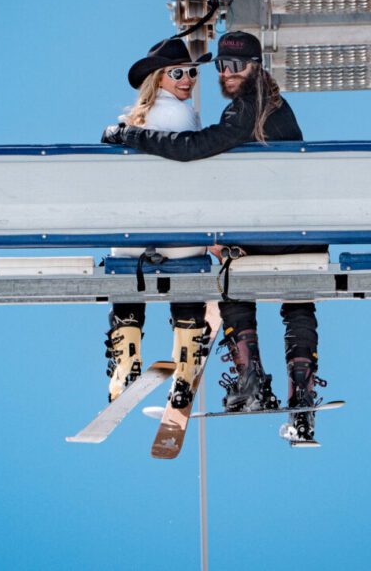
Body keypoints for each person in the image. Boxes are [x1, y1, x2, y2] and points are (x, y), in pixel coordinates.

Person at [103, 31, 327, 440]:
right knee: (297, 300)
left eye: (236, 66)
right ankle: (303, 400)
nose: (226, 73)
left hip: (271, 232)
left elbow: (194, 147)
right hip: (305, 233)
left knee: (231, 277)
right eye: (221, 66)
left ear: (256, 67)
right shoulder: (274, 106)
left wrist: (131, 135)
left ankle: (250, 380)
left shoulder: (248, 108)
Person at [103, 38, 212, 410]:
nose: (188, 80)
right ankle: (186, 366)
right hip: (179, 231)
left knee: (124, 272)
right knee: (188, 275)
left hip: (133, 235)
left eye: (192, 72)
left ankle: (125, 360)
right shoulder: (182, 115)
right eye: (178, 73)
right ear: (158, 78)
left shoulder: (128, 122)